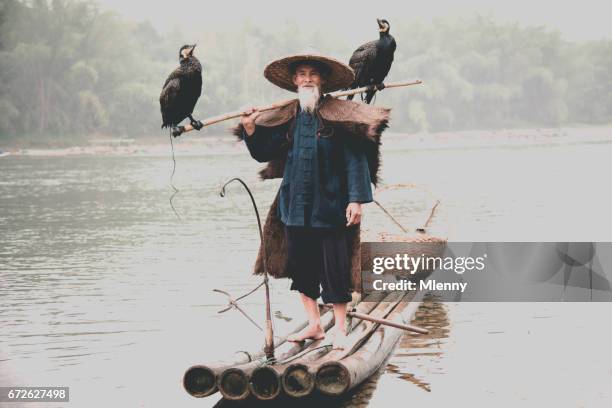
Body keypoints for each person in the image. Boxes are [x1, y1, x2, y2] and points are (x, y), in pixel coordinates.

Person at [237, 52, 390, 349]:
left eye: (313, 74)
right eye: (302, 74)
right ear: (294, 81)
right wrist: (251, 128)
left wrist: (356, 200)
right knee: (302, 268)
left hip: (332, 205)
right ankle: (315, 325)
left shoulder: (339, 114)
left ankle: (341, 331)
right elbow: (263, 152)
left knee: (335, 269)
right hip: (295, 206)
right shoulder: (288, 116)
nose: (307, 79)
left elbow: (354, 160)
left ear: (322, 80)